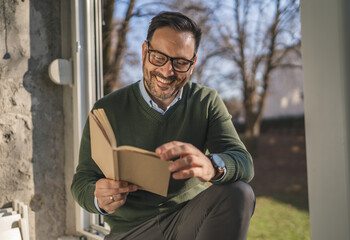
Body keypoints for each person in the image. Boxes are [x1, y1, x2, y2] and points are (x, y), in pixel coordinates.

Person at [71, 11, 255, 240]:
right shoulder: (106, 109)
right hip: (132, 231)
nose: (167, 71)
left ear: (193, 63)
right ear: (144, 51)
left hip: (188, 219)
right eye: (159, 57)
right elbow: (81, 182)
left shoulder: (205, 101)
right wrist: (98, 196)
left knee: (239, 193)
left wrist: (212, 166)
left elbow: (243, 162)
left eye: (180, 63)